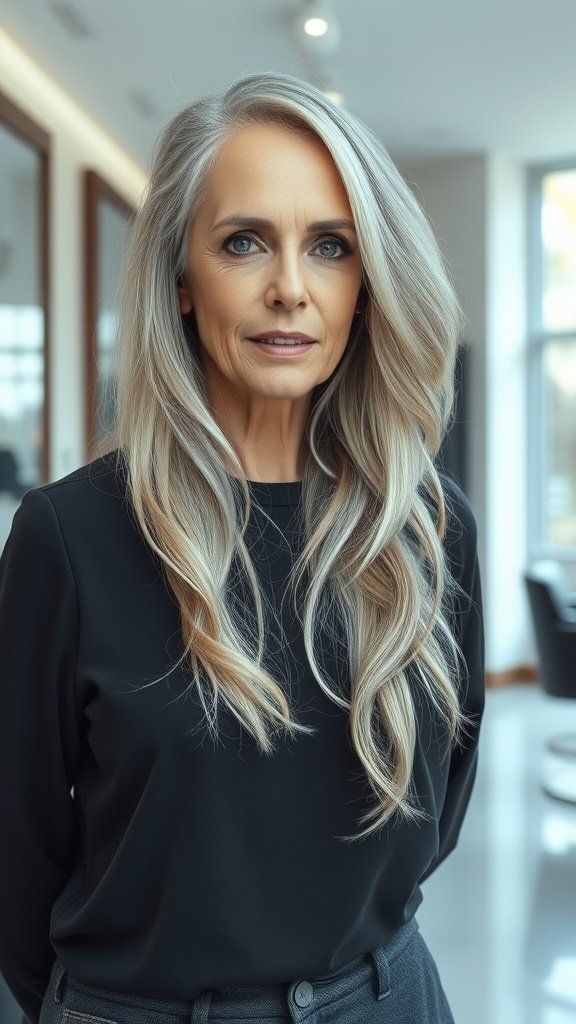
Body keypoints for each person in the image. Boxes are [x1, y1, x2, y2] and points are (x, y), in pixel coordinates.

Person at [0, 73, 485, 1024]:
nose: (290, 289)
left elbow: (439, 807)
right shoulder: (70, 537)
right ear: (181, 280)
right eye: (243, 241)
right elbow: (13, 853)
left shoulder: (431, 524)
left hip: (386, 1000)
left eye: (331, 247)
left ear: (367, 282)